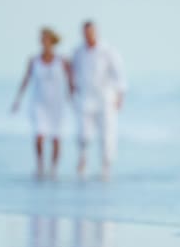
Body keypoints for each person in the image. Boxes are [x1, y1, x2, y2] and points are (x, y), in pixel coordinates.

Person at [11, 27, 73, 180]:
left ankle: (53, 169)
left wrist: (73, 98)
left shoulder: (63, 61)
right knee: (39, 136)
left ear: (52, 41)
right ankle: (40, 166)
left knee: (56, 138)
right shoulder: (34, 60)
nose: (43, 42)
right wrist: (18, 100)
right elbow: (26, 80)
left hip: (57, 104)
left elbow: (71, 81)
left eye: (46, 39)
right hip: (39, 103)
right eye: (41, 39)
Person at [70, 21, 126, 181]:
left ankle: (106, 166)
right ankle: (82, 160)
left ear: (96, 32)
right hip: (85, 98)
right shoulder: (78, 52)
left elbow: (119, 74)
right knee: (83, 133)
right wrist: (72, 89)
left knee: (107, 134)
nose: (88, 36)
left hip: (105, 98)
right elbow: (72, 72)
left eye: (91, 32)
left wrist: (120, 96)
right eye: (85, 33)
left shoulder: (107, 51)